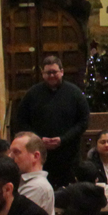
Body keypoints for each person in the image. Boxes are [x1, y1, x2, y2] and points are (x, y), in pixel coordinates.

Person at [11, 54, 91, 187]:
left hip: (68, 155)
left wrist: (63, 139)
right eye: (48, 73)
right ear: (43, 74)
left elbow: (83, 121)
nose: (51, 76)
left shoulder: (75, 93)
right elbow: (21, 121)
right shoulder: (32, 94)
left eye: (54, 72)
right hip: (40, 157)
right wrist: (38, 140)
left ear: (62, 72)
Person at [9, 131, 55, 215]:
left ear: (35, 156)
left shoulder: (37, 187)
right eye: (10, 152)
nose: (10, 157)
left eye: (16, 152)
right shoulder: (22, 181)